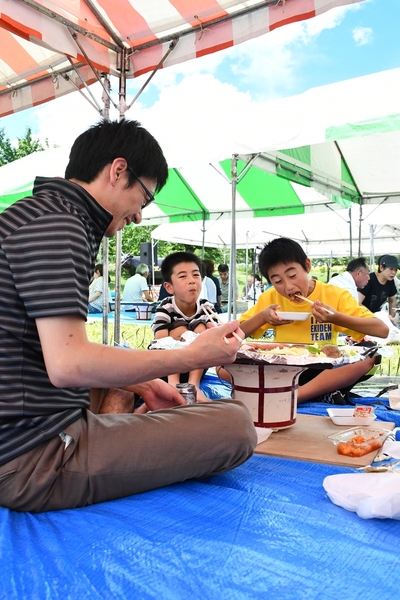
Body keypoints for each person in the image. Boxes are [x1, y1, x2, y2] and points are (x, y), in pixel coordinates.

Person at [0, 119, 256, 513]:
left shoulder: (38, 214)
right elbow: (68, 364)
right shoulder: (60, 224)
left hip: (25, 431)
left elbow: (46, 348)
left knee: (128, 382)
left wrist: (145, 382)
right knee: (235, 425)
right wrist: (192, 355)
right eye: (145, 198)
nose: (139, 216)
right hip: (29, 457)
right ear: (118, 171)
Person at [239, 238, 388, 404]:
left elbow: (382, 330)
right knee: (222, 364)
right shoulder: (270, 298)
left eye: (292, 276)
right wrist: (262, 318)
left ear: (307, 266)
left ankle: (295, 396)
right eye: (278, 281)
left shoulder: (335, 295)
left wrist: (337, 318)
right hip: (282, 368)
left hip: (322, 369)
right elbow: (236, 334)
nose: (288, 287)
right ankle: (322, 394)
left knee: (370, 354)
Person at [152, 252, 216, 402]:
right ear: (169, 287)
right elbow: (160, 338)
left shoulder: (205, 306)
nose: (192, 281)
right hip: (167, 365)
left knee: (201, 328)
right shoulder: (166, 307)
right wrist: (183, 337)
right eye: (182, 276)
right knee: (180, 329)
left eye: (196, 275)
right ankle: (173, 384)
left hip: (196, 366)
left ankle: (194, 385)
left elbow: (214, 331)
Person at [358, 254, 399, 320]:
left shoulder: (390, 281)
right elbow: (358, 302)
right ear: (381, 268)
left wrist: (392, 318)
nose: (394, 272)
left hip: (376, 317)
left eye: (395, 270)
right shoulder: (369, 279)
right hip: (361, 316)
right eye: (391, 269)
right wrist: (373, 316)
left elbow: (392, 301)